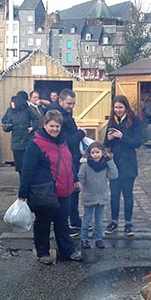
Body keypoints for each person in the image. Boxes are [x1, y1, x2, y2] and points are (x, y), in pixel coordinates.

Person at [18, 110, 83, 265]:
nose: (55, 129)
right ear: (45, 125)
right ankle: (42, 252)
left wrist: (75, 179)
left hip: (64, 190)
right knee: (43, 223)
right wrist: (23, 193)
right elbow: (27, 169)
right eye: (51, 126)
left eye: (57, 126)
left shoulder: (63, 142)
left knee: (62, 222)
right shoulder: (35, 145)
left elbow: (69, 162)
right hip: (45, 191)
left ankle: (67, 251)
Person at [47, 88, 86, 236]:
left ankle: (74, 220)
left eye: (73, 104)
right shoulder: (56, 117)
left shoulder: (66, 113)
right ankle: (65, 225)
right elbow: (65, 142)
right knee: (65, 193)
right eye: (69, 103)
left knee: (75, 190)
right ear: (60, 101)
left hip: (72, 157)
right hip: (63, 160)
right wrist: (81, 133)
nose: (72, 106)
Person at [104, 95, 143, 237]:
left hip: (128, 164)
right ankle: (113, 221)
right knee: (114, 195)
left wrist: (122, 136)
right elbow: (105, 145)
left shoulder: (135, 121)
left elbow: (137, 142)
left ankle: (128, 223)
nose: (118, 110)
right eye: (116, 107)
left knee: (128, 195)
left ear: (126, 107)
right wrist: (108, 139)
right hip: (114, 165)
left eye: (120, 107)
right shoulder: (111, 121)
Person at [78, 142, 118, 249]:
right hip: (89, 196)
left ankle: (99, 239)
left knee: (99, 219)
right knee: (87, 219)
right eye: (93, 153)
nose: (95, 155)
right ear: (89, 154)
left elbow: (114, 175)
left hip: (101, 196)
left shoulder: (105, 165)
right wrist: (79, 185)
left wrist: (110, 161)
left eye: (97, 152)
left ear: (102, 153)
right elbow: (80, 177)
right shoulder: (85, 166)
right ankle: (84, 239)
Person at [1, 95, 38, 175]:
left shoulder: (27, 110)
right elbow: (5, 123)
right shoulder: (9, 111)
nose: (11, 103)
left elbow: (36, 119)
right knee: (19, 167)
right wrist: (6, 127)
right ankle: (22, 183)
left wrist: (33, 127)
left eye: (12, 101)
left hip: (27, 141)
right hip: (16, 143)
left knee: (28, 165)